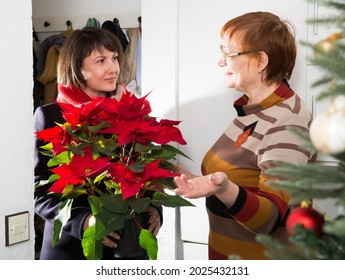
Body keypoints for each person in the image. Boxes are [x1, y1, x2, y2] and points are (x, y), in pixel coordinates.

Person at [174, 11, 317, 260]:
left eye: (229, 53)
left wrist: (223, 188)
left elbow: (270, 219)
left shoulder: (287, 122)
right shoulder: (253, 110)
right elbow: (243, 177)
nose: (221, 62)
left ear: (261, 60)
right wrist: (202, 182)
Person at [34, 26, 162, 260]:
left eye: (114, 58)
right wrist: (84, 222)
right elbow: (40, 193)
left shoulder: (131, 111)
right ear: (79, 68)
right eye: (101, 61)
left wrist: (154, 210)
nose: (113, 68)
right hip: (71, 249)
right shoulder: (51, 116)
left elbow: (144, 174)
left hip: (129, 247)